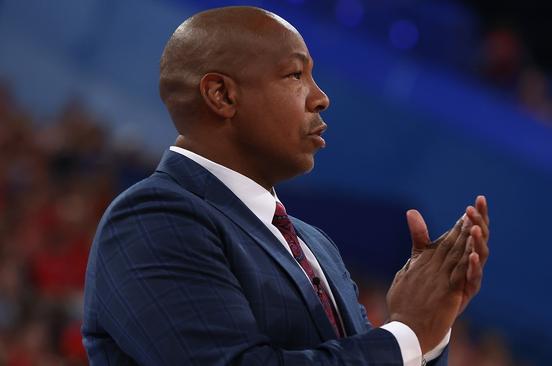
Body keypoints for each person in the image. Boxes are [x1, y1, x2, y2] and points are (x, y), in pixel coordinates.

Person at [82, 6, 490, 366]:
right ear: (222, 94)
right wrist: (406, 333)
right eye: (295, 74)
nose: (321, 97)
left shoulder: (318, 247)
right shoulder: (152, 219)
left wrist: (430, 333)